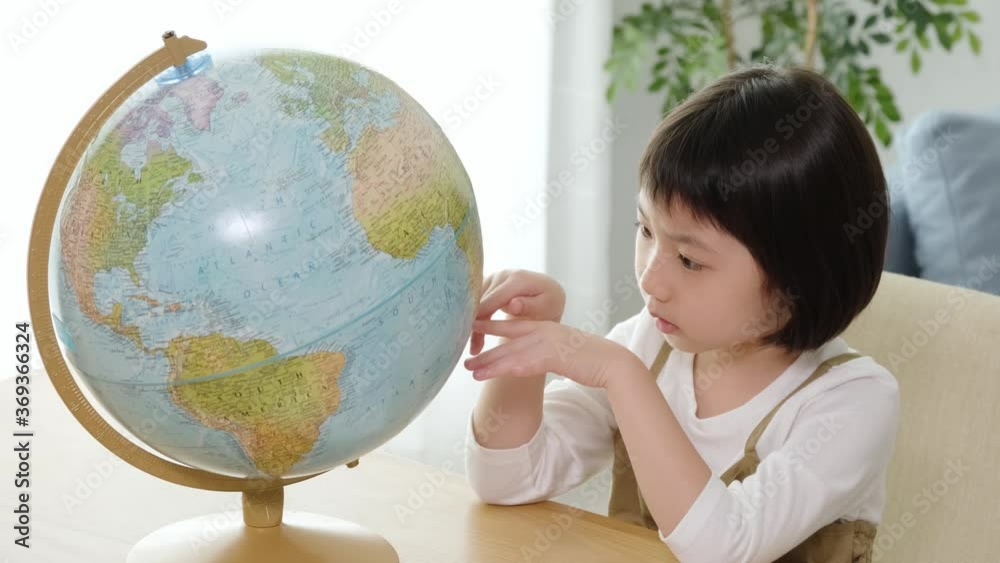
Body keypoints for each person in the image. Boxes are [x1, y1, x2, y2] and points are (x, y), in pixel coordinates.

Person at [462, 64, 900, 563]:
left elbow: (725, 548)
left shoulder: (853, 401)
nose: (650, 280)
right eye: (646, 230)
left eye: (690, 260)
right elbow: (506, 481)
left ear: (794, 280)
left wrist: (620, 374)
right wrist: (526, 346)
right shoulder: (649, 344)